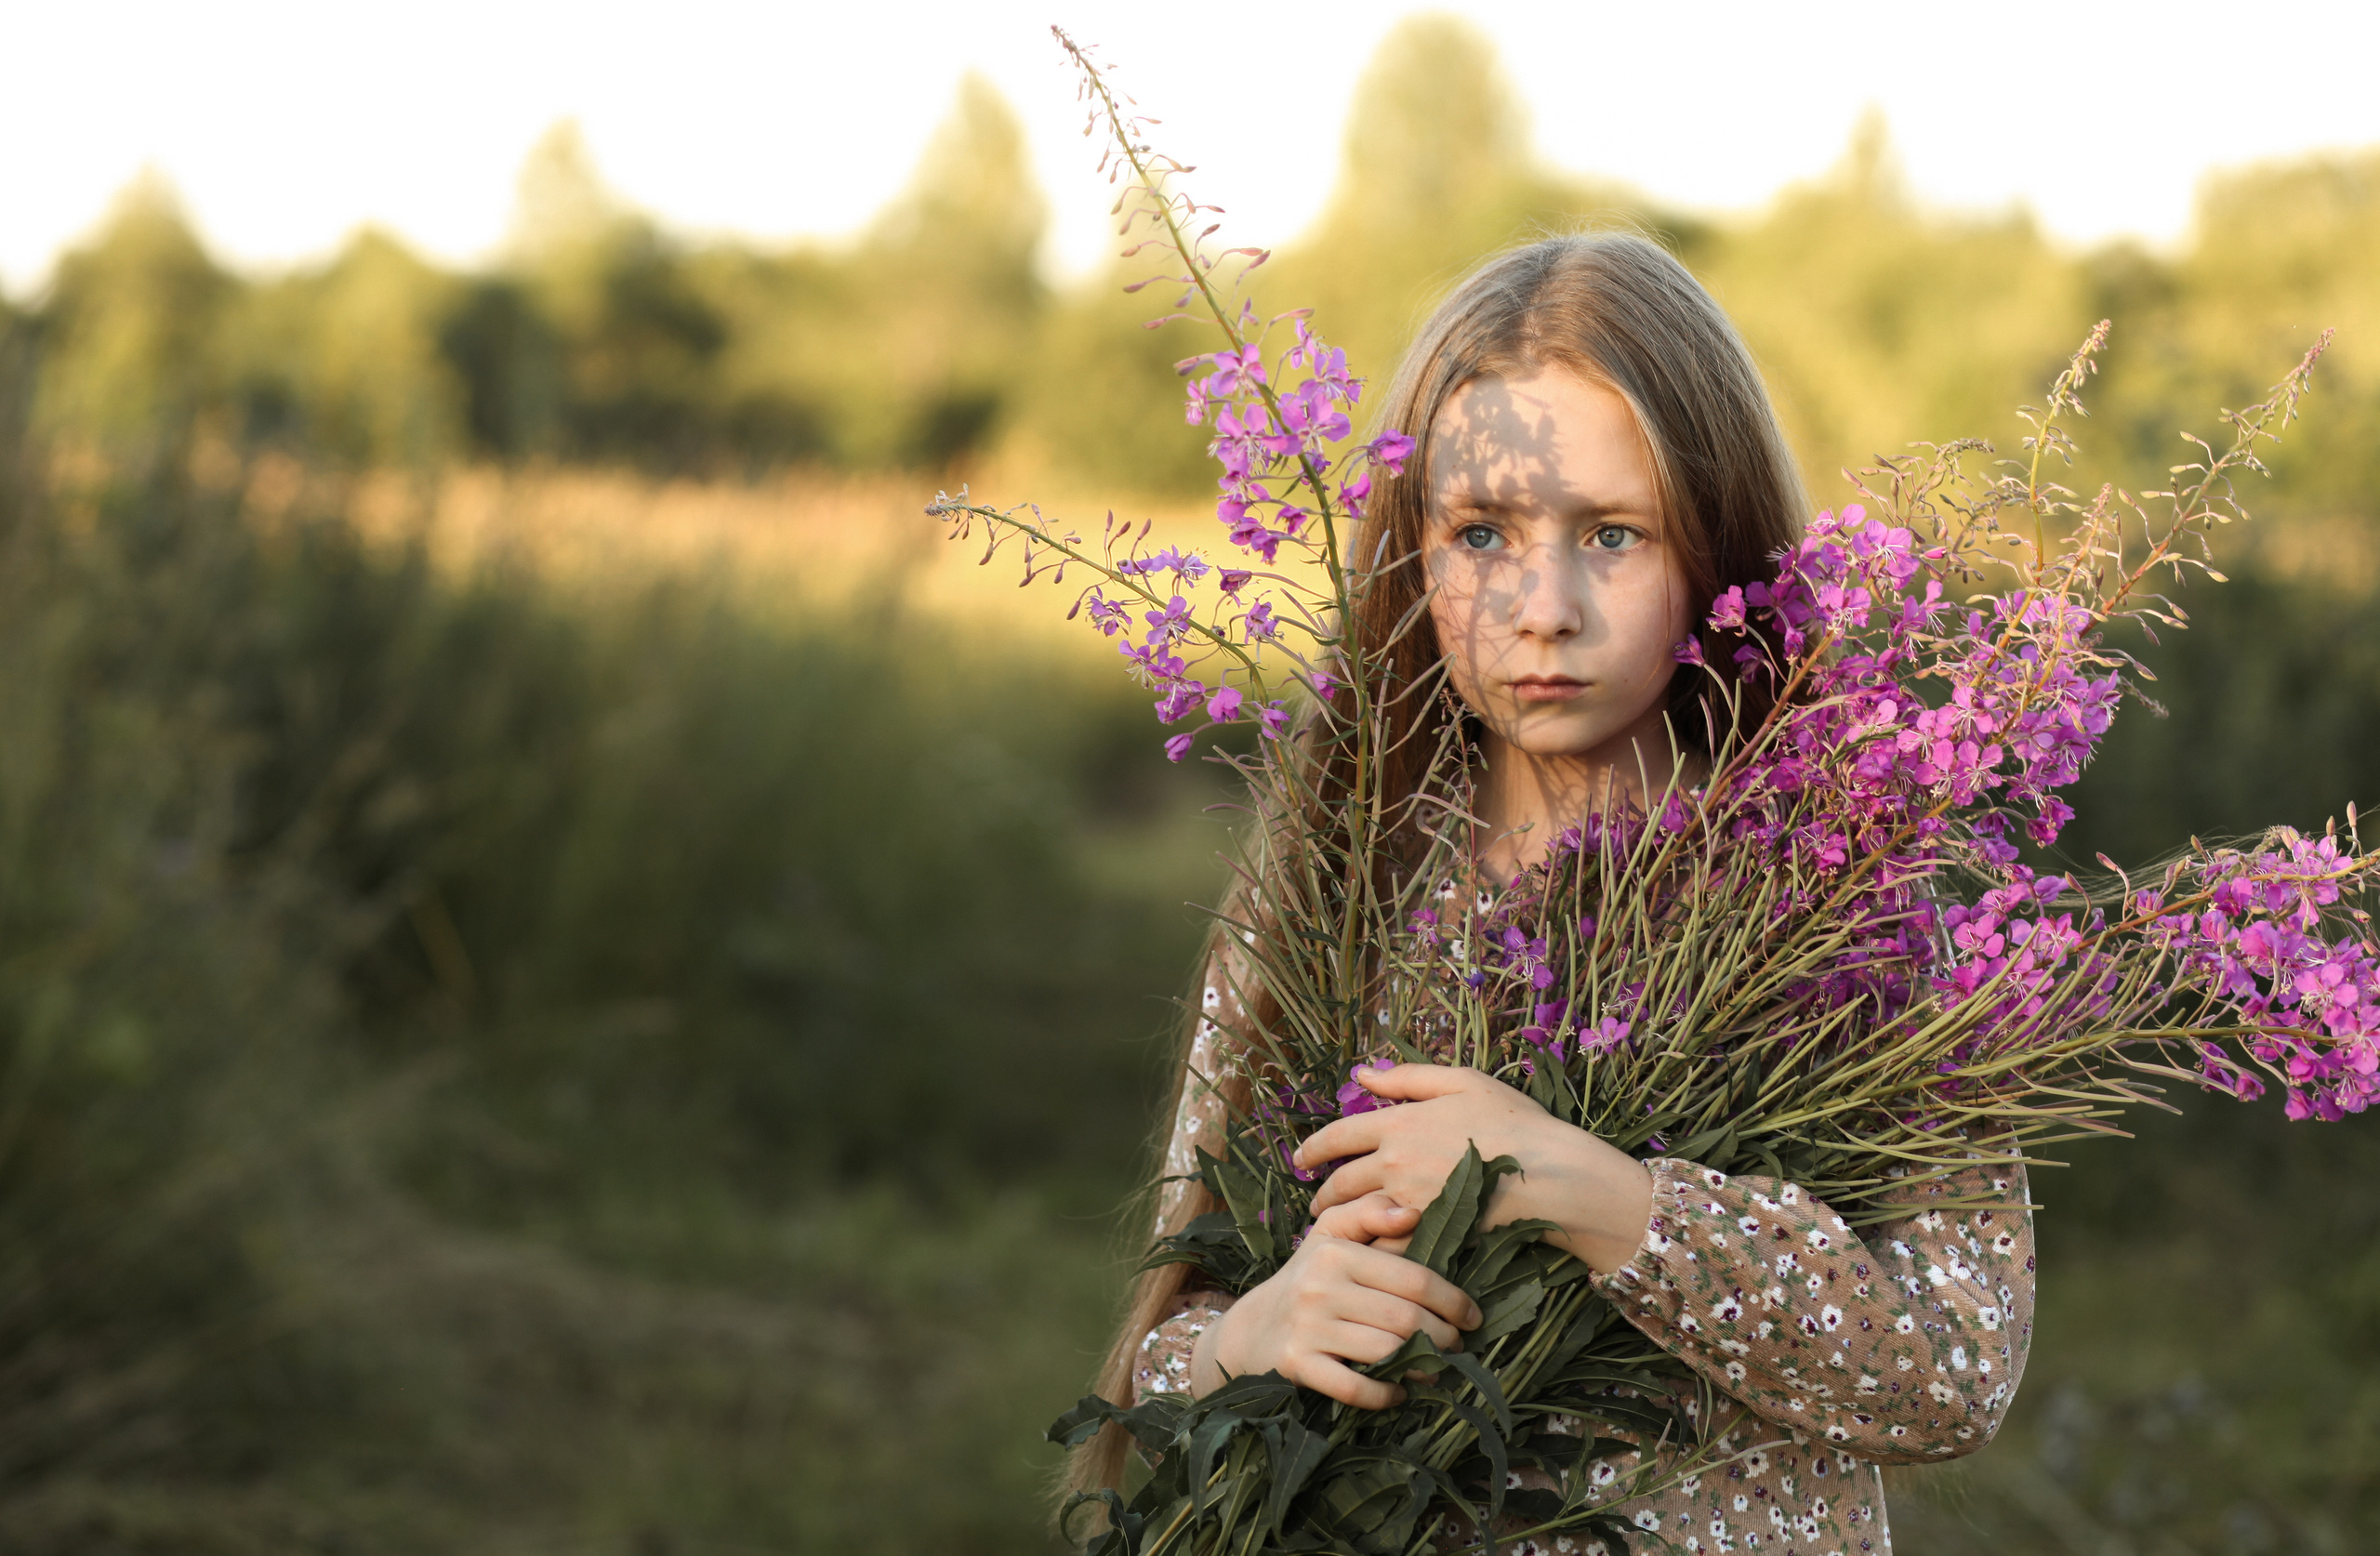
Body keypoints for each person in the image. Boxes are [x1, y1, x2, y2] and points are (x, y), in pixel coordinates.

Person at [1070, 233, 2035, 1555]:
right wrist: (1253, 1331)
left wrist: (1609, 1198)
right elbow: (1164, 1350)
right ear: (1411, 555)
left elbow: (1951, 1369)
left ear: (1716, 548)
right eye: (1481, 534)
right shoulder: (1332, 894)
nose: (1544, 607)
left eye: (1614, 535)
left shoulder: (1845, 896)